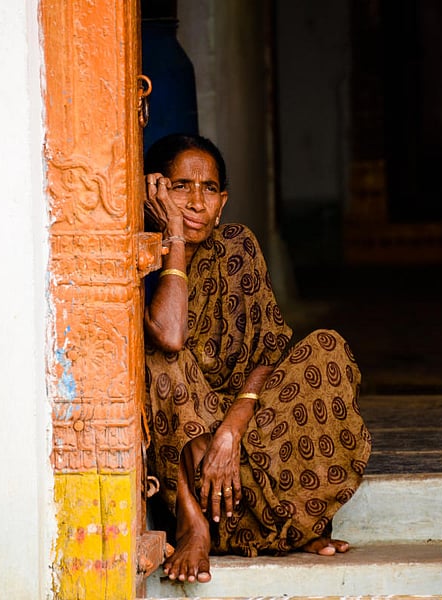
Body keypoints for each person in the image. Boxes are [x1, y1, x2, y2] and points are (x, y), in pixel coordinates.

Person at [142, 133, 371, 584]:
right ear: (156, 190)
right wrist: (174, 240)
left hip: (245, 442)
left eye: (208, 189)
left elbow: (272, 355)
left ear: (222, 202)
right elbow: (170, 337)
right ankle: (194, 524)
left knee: (327, 348)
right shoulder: (137, 254)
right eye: (180, 186)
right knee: (161, 359)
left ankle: (285, 523)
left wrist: (231, 429)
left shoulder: (237, 247)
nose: (195, 201)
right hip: (185, 456)